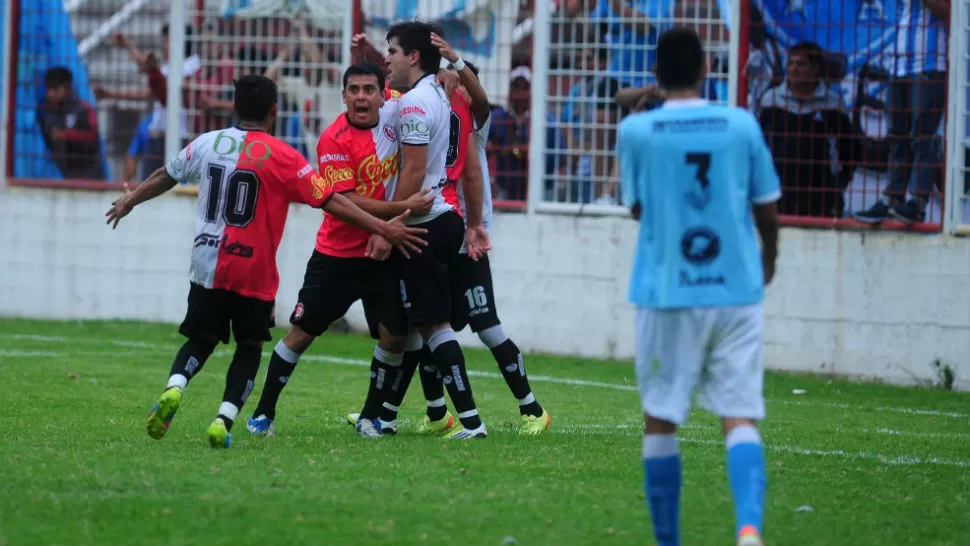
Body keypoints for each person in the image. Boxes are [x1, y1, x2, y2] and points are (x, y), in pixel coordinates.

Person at [104, 75, 428, 449]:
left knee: (200, 338)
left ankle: (176, 387)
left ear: (233, 107)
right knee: (250, 345)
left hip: (206, 263)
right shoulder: (284, 156)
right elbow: (333, 200)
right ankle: (225, 419)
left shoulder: (210, 142)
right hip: (253, 269)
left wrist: (130, 200)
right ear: (274, 112)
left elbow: (166, 174)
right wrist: (383, 226)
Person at [615, 28, 780, 546]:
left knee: (661, 418)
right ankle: (748, 528)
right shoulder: (741, 123)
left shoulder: (638, 130)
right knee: (740, 413)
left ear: (657, 73)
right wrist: (767, 261)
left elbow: (638, 208)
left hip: (667, 291)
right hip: (736, 287)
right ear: (708, 67)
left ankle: (669, 542)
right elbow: (767, 204)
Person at [347, 34, 552, 436]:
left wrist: (477, 226)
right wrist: (374, 55)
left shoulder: (463, 110)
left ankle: (530, 408)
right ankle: (420, 411)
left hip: (457, 226)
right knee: (423, 322)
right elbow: (393, 82)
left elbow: (472, 172)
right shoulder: (437, 101)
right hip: (447, 220)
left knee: (473, 324)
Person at [243, 62, 434, 438]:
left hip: (383, 253)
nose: (362, 97)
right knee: (302, 333)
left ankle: (369, 417)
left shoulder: (398, 111)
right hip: (338, 254)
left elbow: (412, 81)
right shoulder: (334, 139)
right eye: (354, 90)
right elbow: (348, 201)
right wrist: (395, 217)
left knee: (394, 336)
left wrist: (444, 75)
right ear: (343, 95)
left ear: (383, 94)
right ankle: (264, 413)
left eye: (369, 89)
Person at [354, 21, 487, 439]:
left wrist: (386, 226)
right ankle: (384, 417)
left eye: (391, 50)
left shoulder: (415, 104)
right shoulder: (433, 95)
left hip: (423, 225)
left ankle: (470, 420)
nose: (386, 58)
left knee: (433, 327)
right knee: (416, 326)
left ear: (413, 56)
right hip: (441, 217)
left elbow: (412, 173)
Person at [36, 67, 105, 180]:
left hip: (88, 176)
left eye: (54, 89)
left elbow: (93, 138)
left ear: (66, 88)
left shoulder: (84, 109)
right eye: (48, 89)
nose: (50, 94)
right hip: (64, 176)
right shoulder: (45, 113)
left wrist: (66, 135)